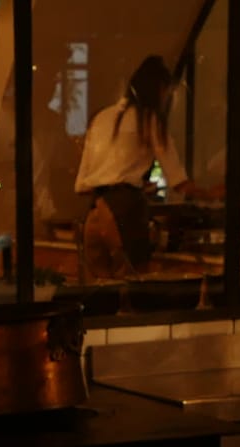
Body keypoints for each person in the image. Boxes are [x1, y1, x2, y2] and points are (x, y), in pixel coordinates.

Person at [76, 56, 187, 281]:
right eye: (166, 94)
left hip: (93, 215)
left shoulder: (101, 117)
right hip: (122, 213)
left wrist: (126, 181)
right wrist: (211, 193)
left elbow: (82, 185)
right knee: (132, 285)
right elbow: (179, 181)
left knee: (98, 289)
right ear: (159, 89)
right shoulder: (149, 120)